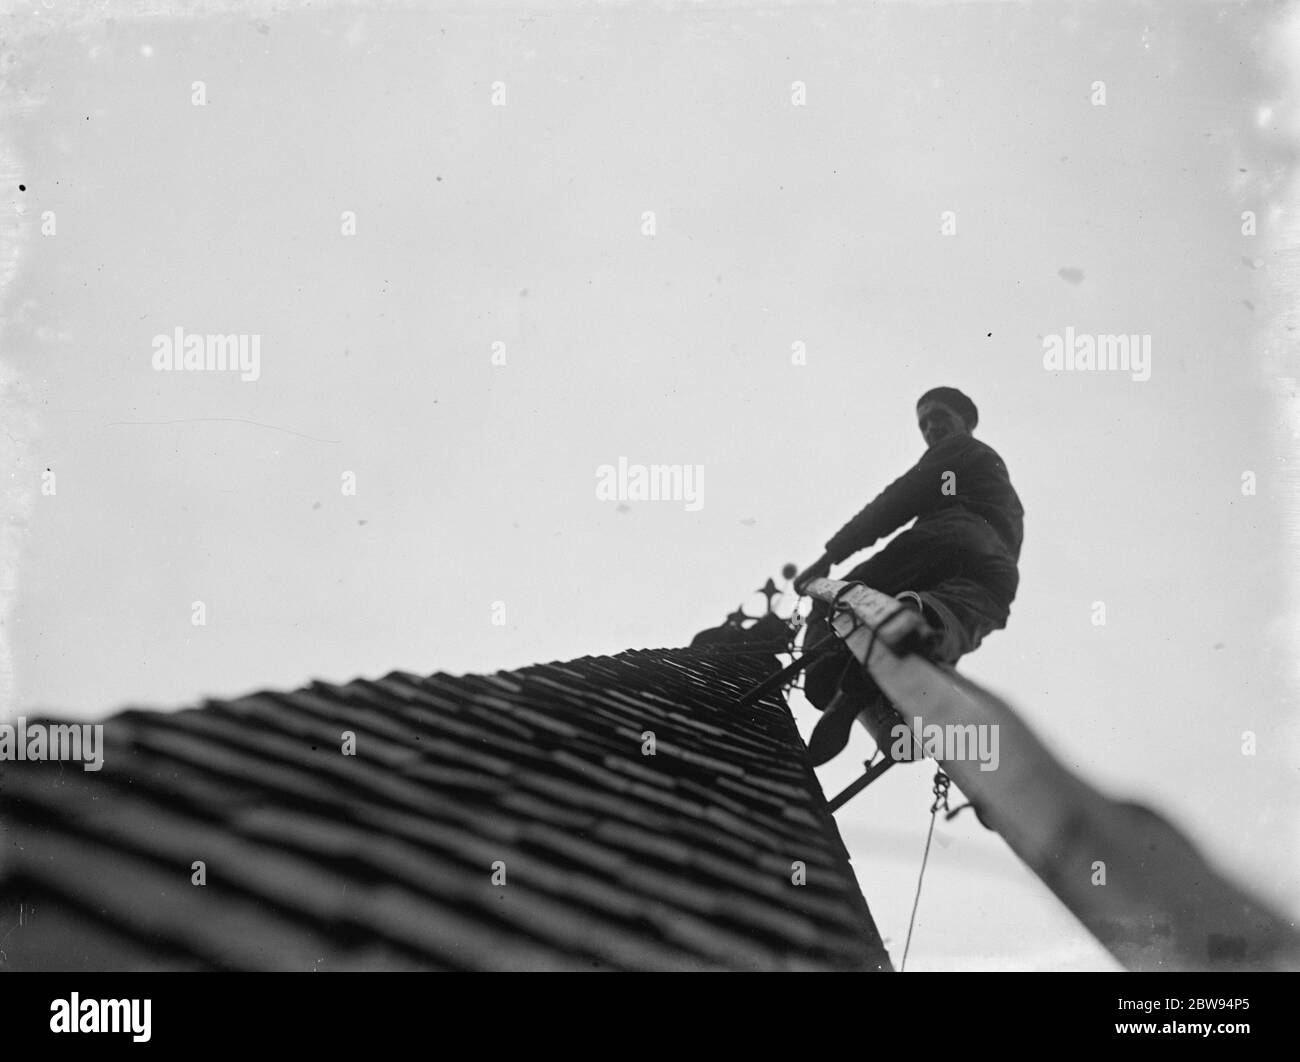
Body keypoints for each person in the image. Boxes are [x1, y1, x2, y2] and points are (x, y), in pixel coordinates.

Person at [793, 387, 1024, 766]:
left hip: (950, 535)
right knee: (950, 617)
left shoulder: (959, 450)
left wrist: (831, 555)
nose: (931, 428)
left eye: (939, 416)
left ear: (966, 420)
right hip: (997, 575)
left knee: (832, 604)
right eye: (924, 424)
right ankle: (914, 635)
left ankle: (838, 687)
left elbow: (899, 500)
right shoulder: (1001, 485)